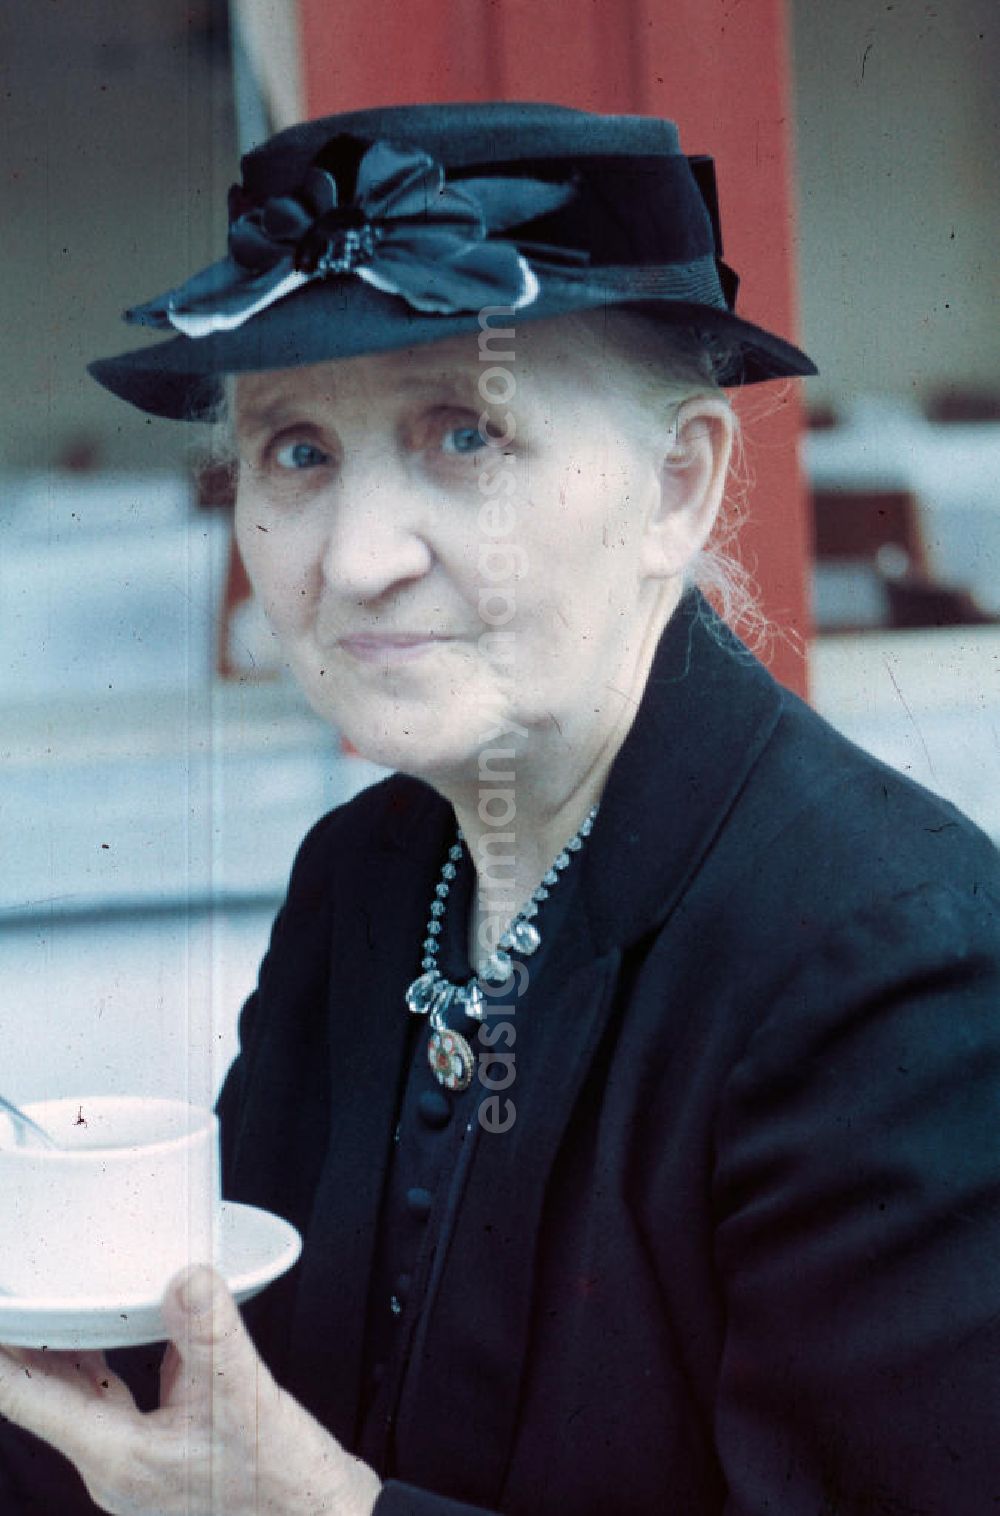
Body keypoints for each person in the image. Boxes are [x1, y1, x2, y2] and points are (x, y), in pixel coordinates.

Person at [1, 100, 998, 1515]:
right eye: (296, 452)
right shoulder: (369, 875)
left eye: (464, 434)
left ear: (679, 483)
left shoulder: (892, 972)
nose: (354, 559)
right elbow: (192, 1414)